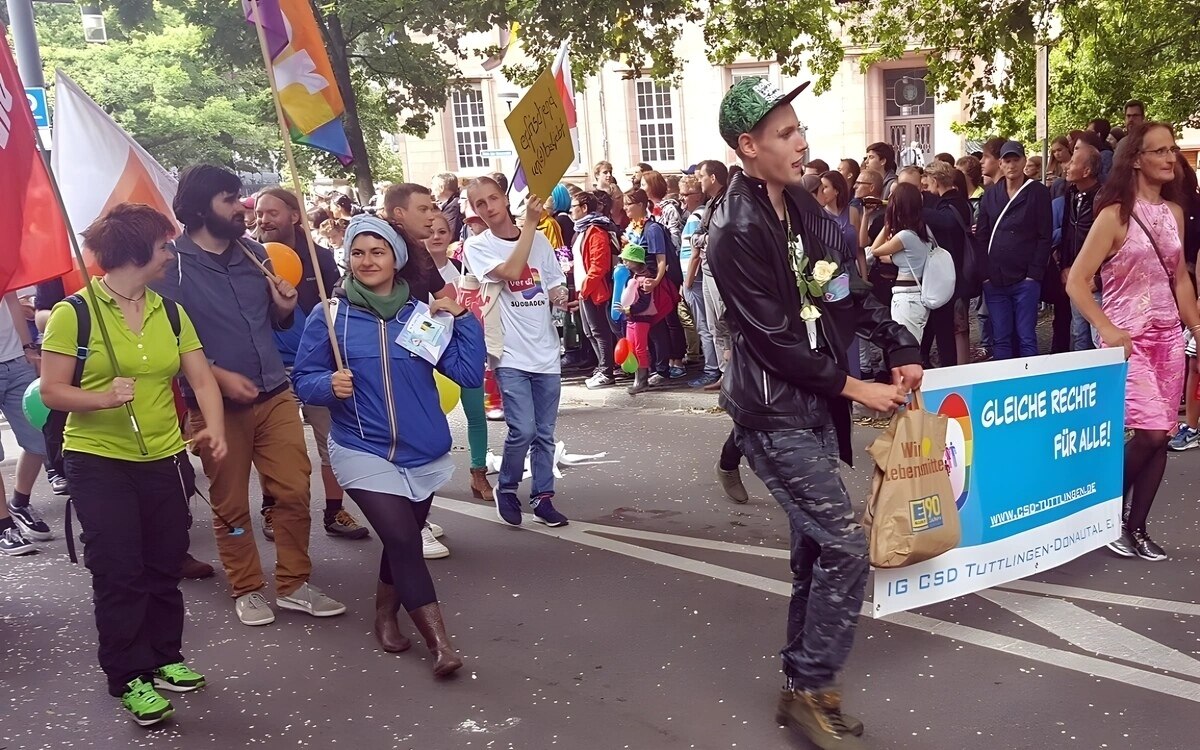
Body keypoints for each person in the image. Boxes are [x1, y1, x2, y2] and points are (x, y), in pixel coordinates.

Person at [708, 77, 921, 749]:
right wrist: (858, 391)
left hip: (810, 408)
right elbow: (773, 342)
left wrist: (899, 346)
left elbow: (844, 291)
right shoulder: (734, 231)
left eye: (799, 128)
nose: (802, 141)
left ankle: (803, 687)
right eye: (785, 132)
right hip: (771, 416)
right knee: (845, 544)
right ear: (749, 147)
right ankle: (811, 684)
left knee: (816, 553)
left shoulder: (799, 207)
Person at [40, 203, 228, 725]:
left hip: (165, 457)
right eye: (164, 246)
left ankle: (166, 657)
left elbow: (203, 378)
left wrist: (211, 426)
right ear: (138, 251)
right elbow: (53, 392)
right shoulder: (73, 312)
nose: (171, 254)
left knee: (164, 564)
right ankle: (129, 677)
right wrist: (101, 398)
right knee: (120, 571)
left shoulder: (170, 311)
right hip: (98, 461)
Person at [155, 164, 346, 626]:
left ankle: (295, 582)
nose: (242, 208)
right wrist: (216, 376)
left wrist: (283, 308)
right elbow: (163, 343)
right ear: (201, 208)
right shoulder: (172, 265)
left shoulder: (255, 252)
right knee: (232, 505)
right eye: (228, 199)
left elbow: (275, 323)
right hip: (214, 407)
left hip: (275, 392)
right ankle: (246, 586)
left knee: (294, 490)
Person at [293, 215, 482, 674]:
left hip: (423, 451)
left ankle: (384, 613)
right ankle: (440, 645)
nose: (367, 260)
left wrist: (463, 319)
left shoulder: (423, 315)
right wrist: (325, 384)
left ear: (396, 259)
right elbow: (302, 378)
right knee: (402, 537)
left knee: (400, 544)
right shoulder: (330, 315)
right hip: (361, 447)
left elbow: (469, 374)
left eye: (377, 252)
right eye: (358, 252)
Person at [1068, 123, 1200, 561]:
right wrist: (1106, 327)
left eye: (1172, 150)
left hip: (1169, 340)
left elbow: (1180, 278)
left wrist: (1196, 329)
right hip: (1130, 341)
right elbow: (1077, 283)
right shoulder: (1114, 216)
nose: (1170, 158)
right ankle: (1100, 511)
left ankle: (1135, 527)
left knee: (1161, 435)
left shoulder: (1175, 213)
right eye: (1159, 151)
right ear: (1136, 159)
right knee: (1148, 433)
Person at [253, 187, 369, 542]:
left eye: (272, 212)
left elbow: (333, 305)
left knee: (329, 441)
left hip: (316, 365)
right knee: (274, 446)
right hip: (270, 367)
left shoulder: (319, 256)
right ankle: (271, 507)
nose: (264, 219)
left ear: (293, 215)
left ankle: (334, 511)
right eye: (260, 212)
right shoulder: (246, 257)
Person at [463, 179, 573, 527]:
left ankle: (543, 497)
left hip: (545, 352)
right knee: (522, 430)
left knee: (544, 432)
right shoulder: (478, 246)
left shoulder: (539, 240)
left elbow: (554, 282)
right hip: (509, 353)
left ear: (505, 199)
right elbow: (510, 273)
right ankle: (507, 488)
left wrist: (561, 297)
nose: (488, 207)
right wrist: (528, 223)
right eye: (479, 203)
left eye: (493, 198)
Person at [973, 141, 1053, 359]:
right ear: (1000, 163)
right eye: (1007, 161)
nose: (1011, 165)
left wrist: (1033, 275)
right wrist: (985, 275)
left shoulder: (1038, 192)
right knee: (1001, 337)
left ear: (1024, 161)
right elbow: (981, 236)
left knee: (1026, 335)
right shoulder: (990, 195)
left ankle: (1030, 385)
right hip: (995, 279)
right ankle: (1004, 386)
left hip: (1025, 278)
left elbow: (1044, 235)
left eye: (1016, 159)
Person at [0, 297, 53, 545]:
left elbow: (10, 298)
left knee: (39, 439)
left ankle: (20, 502)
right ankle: (4, 525)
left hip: (16, 362)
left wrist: (28, 347)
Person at [623, 189, 684, 384]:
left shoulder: (653, 229)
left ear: (641, 205)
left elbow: (661, 258)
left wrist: (656, 281)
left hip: (651, 282)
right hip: (639, 281)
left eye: (628, 204)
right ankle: (651, 367)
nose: (625, 208)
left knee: (658, 326)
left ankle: (662, 368)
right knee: (647, 329)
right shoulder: (634, 227)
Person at [921, 160, 973, 367]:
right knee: (944, 326)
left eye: (927, 183)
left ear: (935, 180)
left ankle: (948, 371)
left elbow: (947, 222)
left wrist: (915, 208)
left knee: (945, 330)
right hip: (958, 273)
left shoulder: (950, 204)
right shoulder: (962, 201)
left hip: (950, 275)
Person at [868, 183, 934, 341]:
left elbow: (875, 250)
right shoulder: (923, 231)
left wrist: (888, 224)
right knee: (911, 342)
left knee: (906, 345)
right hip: (916, 295)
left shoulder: (905, 236)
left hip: (907, 298)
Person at [571, 191, 621, 390]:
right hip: (585, 288)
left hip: (593, 289)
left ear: (584, 208)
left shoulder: (596, 230)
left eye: (573, 206)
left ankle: (606, 371)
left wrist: (585, 288)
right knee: (589, 331)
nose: (570, 211)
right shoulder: (583, 230)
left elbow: (599, 265)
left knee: (598, 330)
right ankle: (602, 367)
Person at [1056, 144, 1103, 352]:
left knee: (1098, 333)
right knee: (1078, 331)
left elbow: (1109, 243)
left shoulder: (1103, 198)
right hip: (1076, 276)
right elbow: (1067, 231)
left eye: (1073, 162)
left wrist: (1099, 278)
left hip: (1095, 280)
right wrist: (1065, 266)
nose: (1067, 166)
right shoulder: (1071, 194)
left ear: (1087, 171)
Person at [679, 175, 721, 387]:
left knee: (705, 326)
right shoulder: (697, 215)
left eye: (686, 194)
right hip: (696, 279)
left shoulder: (696, 217)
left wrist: (686, 282)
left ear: (697, 196)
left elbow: (694, 253)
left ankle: (711, 369)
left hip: (695, 280)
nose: (682, 198)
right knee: (707, 325)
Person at [696, 160, 732, 391]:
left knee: (724, 321)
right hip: (707, 267)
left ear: (713, 178)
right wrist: (703, 239)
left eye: (701, 176)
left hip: (721, 270)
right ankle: (724, 373)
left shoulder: (727, 202)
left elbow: (721, 236)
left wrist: (704, 240)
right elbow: (699, 234)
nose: (699, 180)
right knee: (714, 326)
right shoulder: (710, 203)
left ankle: (735, 374)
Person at [432, 172, 464, 240]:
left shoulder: (453, 206)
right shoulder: (453, 203)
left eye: (433, 185)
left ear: (441, 188)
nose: (432, 191)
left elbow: (450, 235)